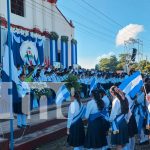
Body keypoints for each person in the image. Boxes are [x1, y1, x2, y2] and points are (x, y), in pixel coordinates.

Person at [109, 86, 129, 150]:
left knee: (119, 144)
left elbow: (113, 114)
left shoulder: (116, 101)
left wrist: (109, 120)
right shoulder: (124, 99)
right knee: (123, 143)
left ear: (112, 93)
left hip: (117, 124)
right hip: (123, 122)